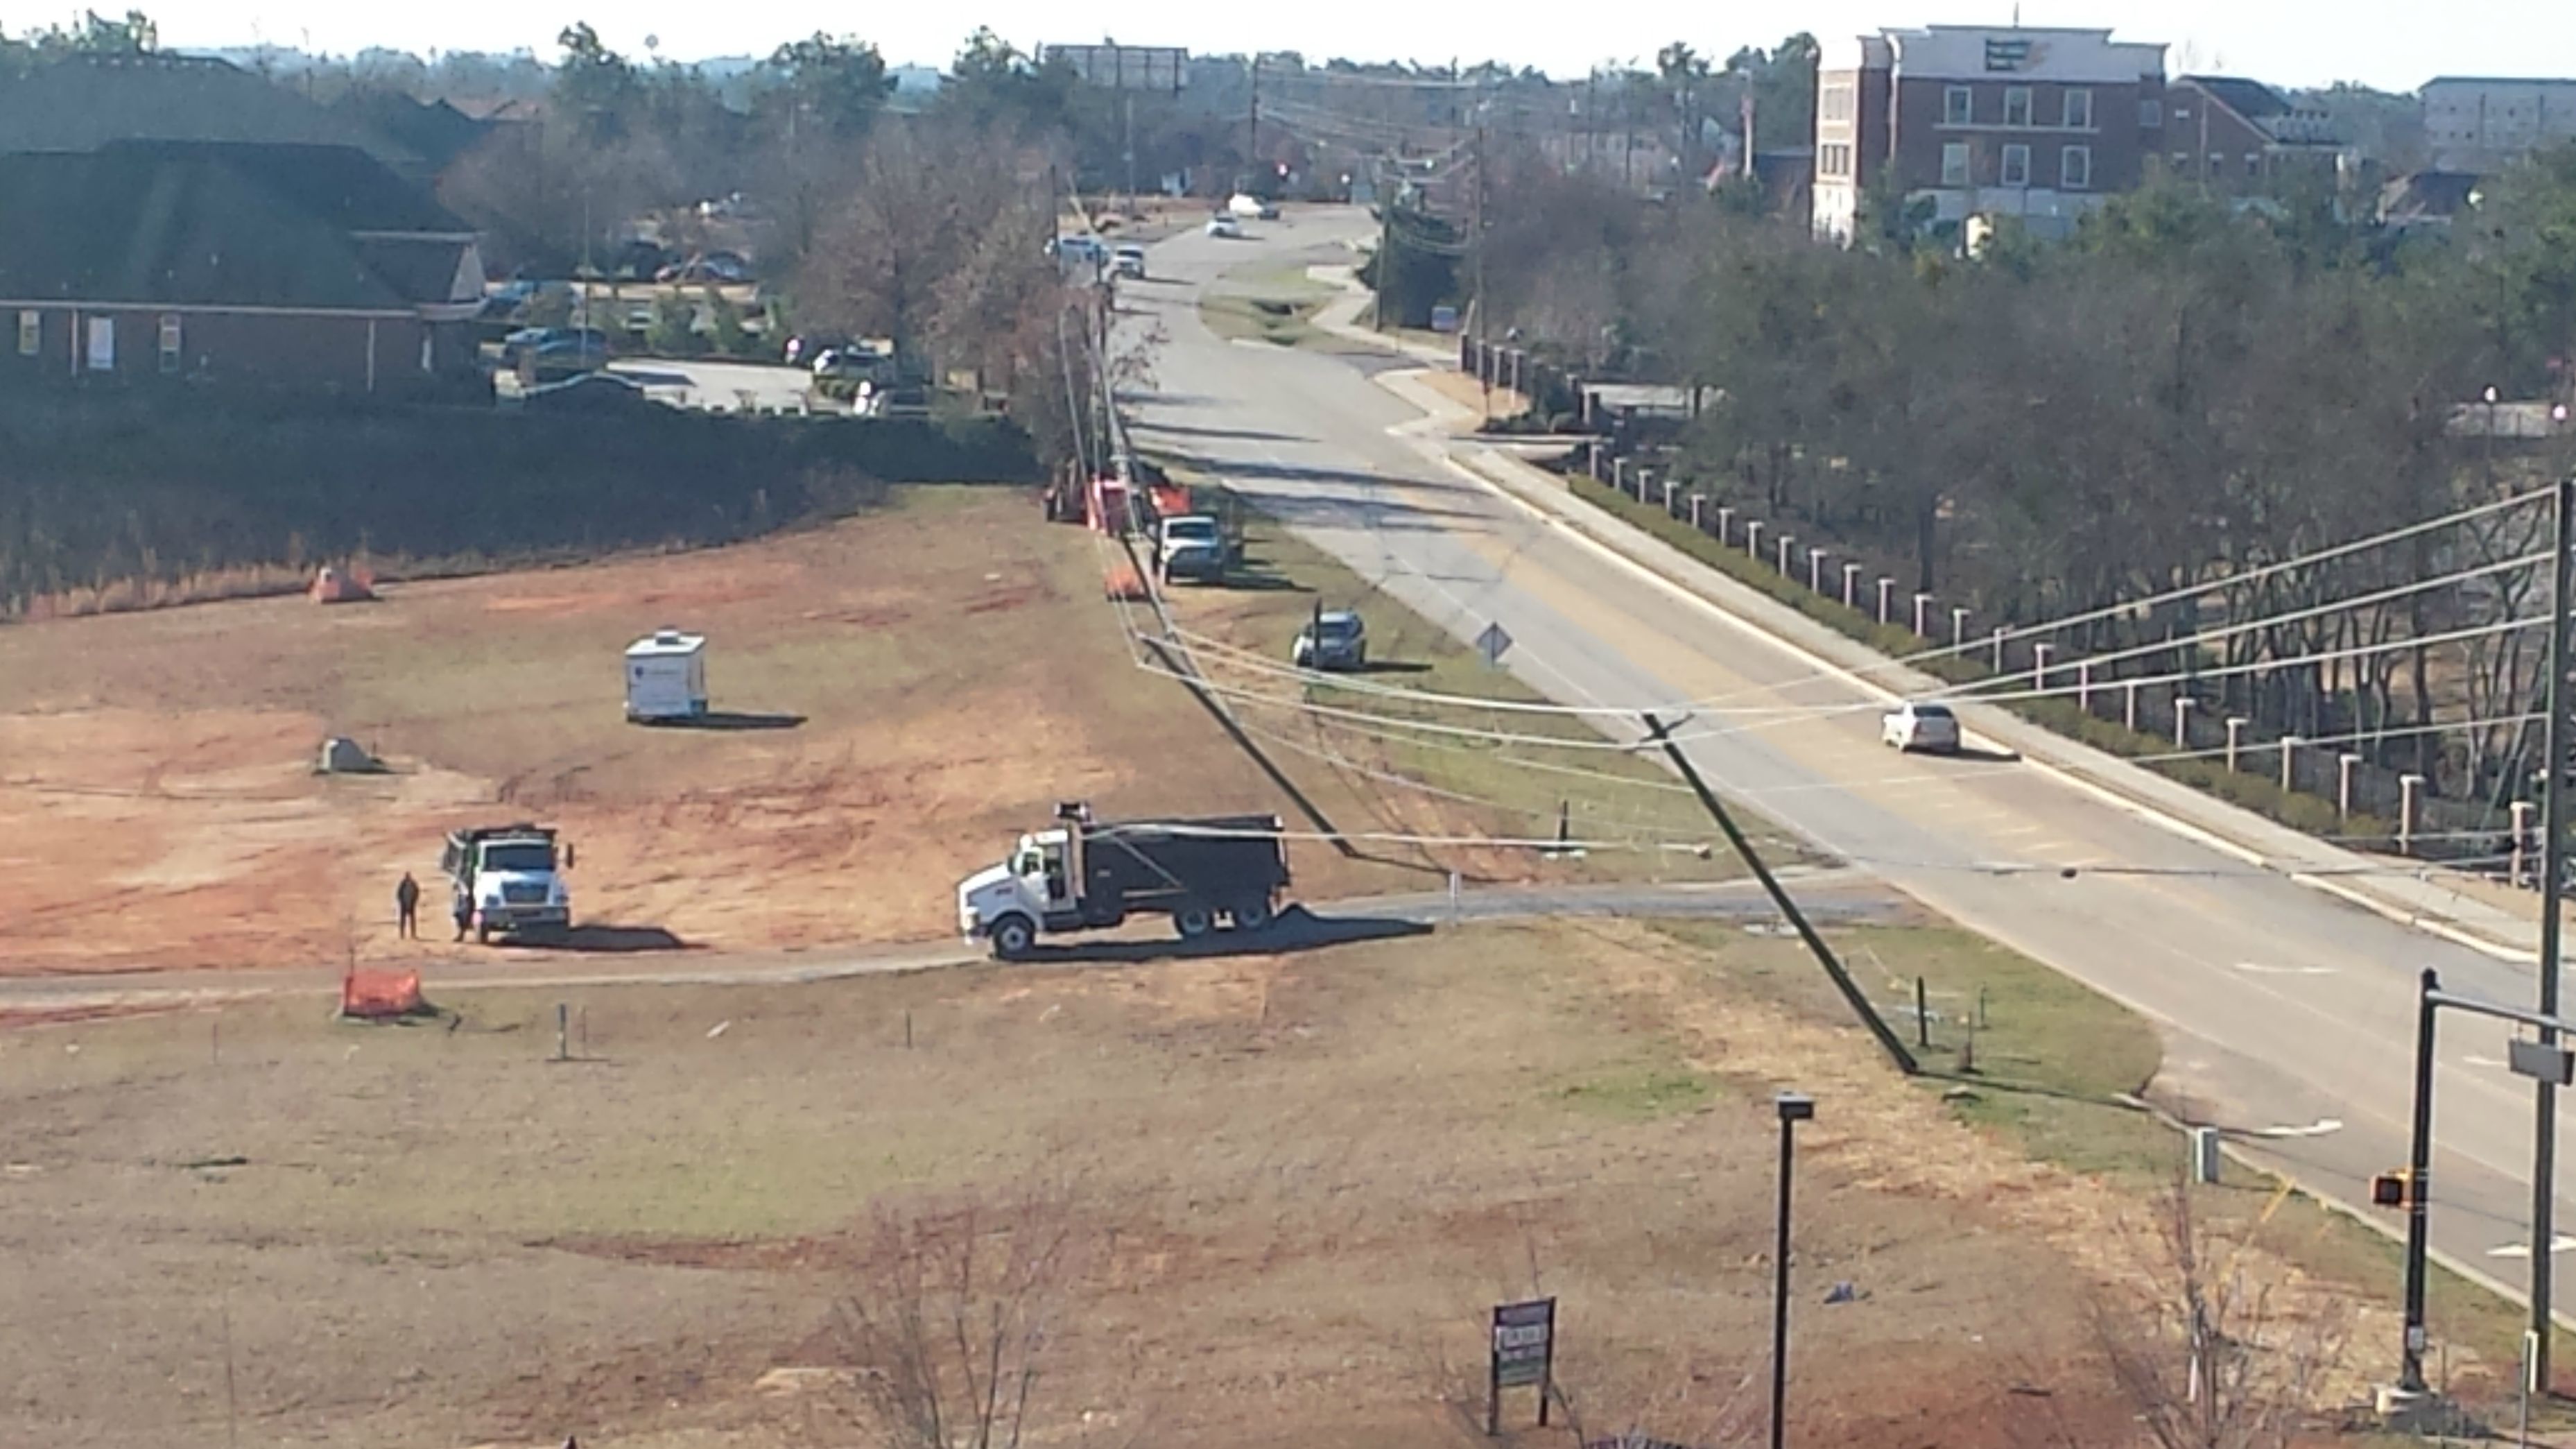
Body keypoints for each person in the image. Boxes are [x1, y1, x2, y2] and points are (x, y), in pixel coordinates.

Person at [395, 872, 420, 938]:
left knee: (412, 921)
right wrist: (402, 902)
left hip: (411, 904)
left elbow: (417, 893)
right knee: (403, 921)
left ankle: (413, 934)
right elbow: (398, 895)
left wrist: (414, 901)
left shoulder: (413, 884)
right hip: (404, 905)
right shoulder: (402, 884)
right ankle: (402, 935)